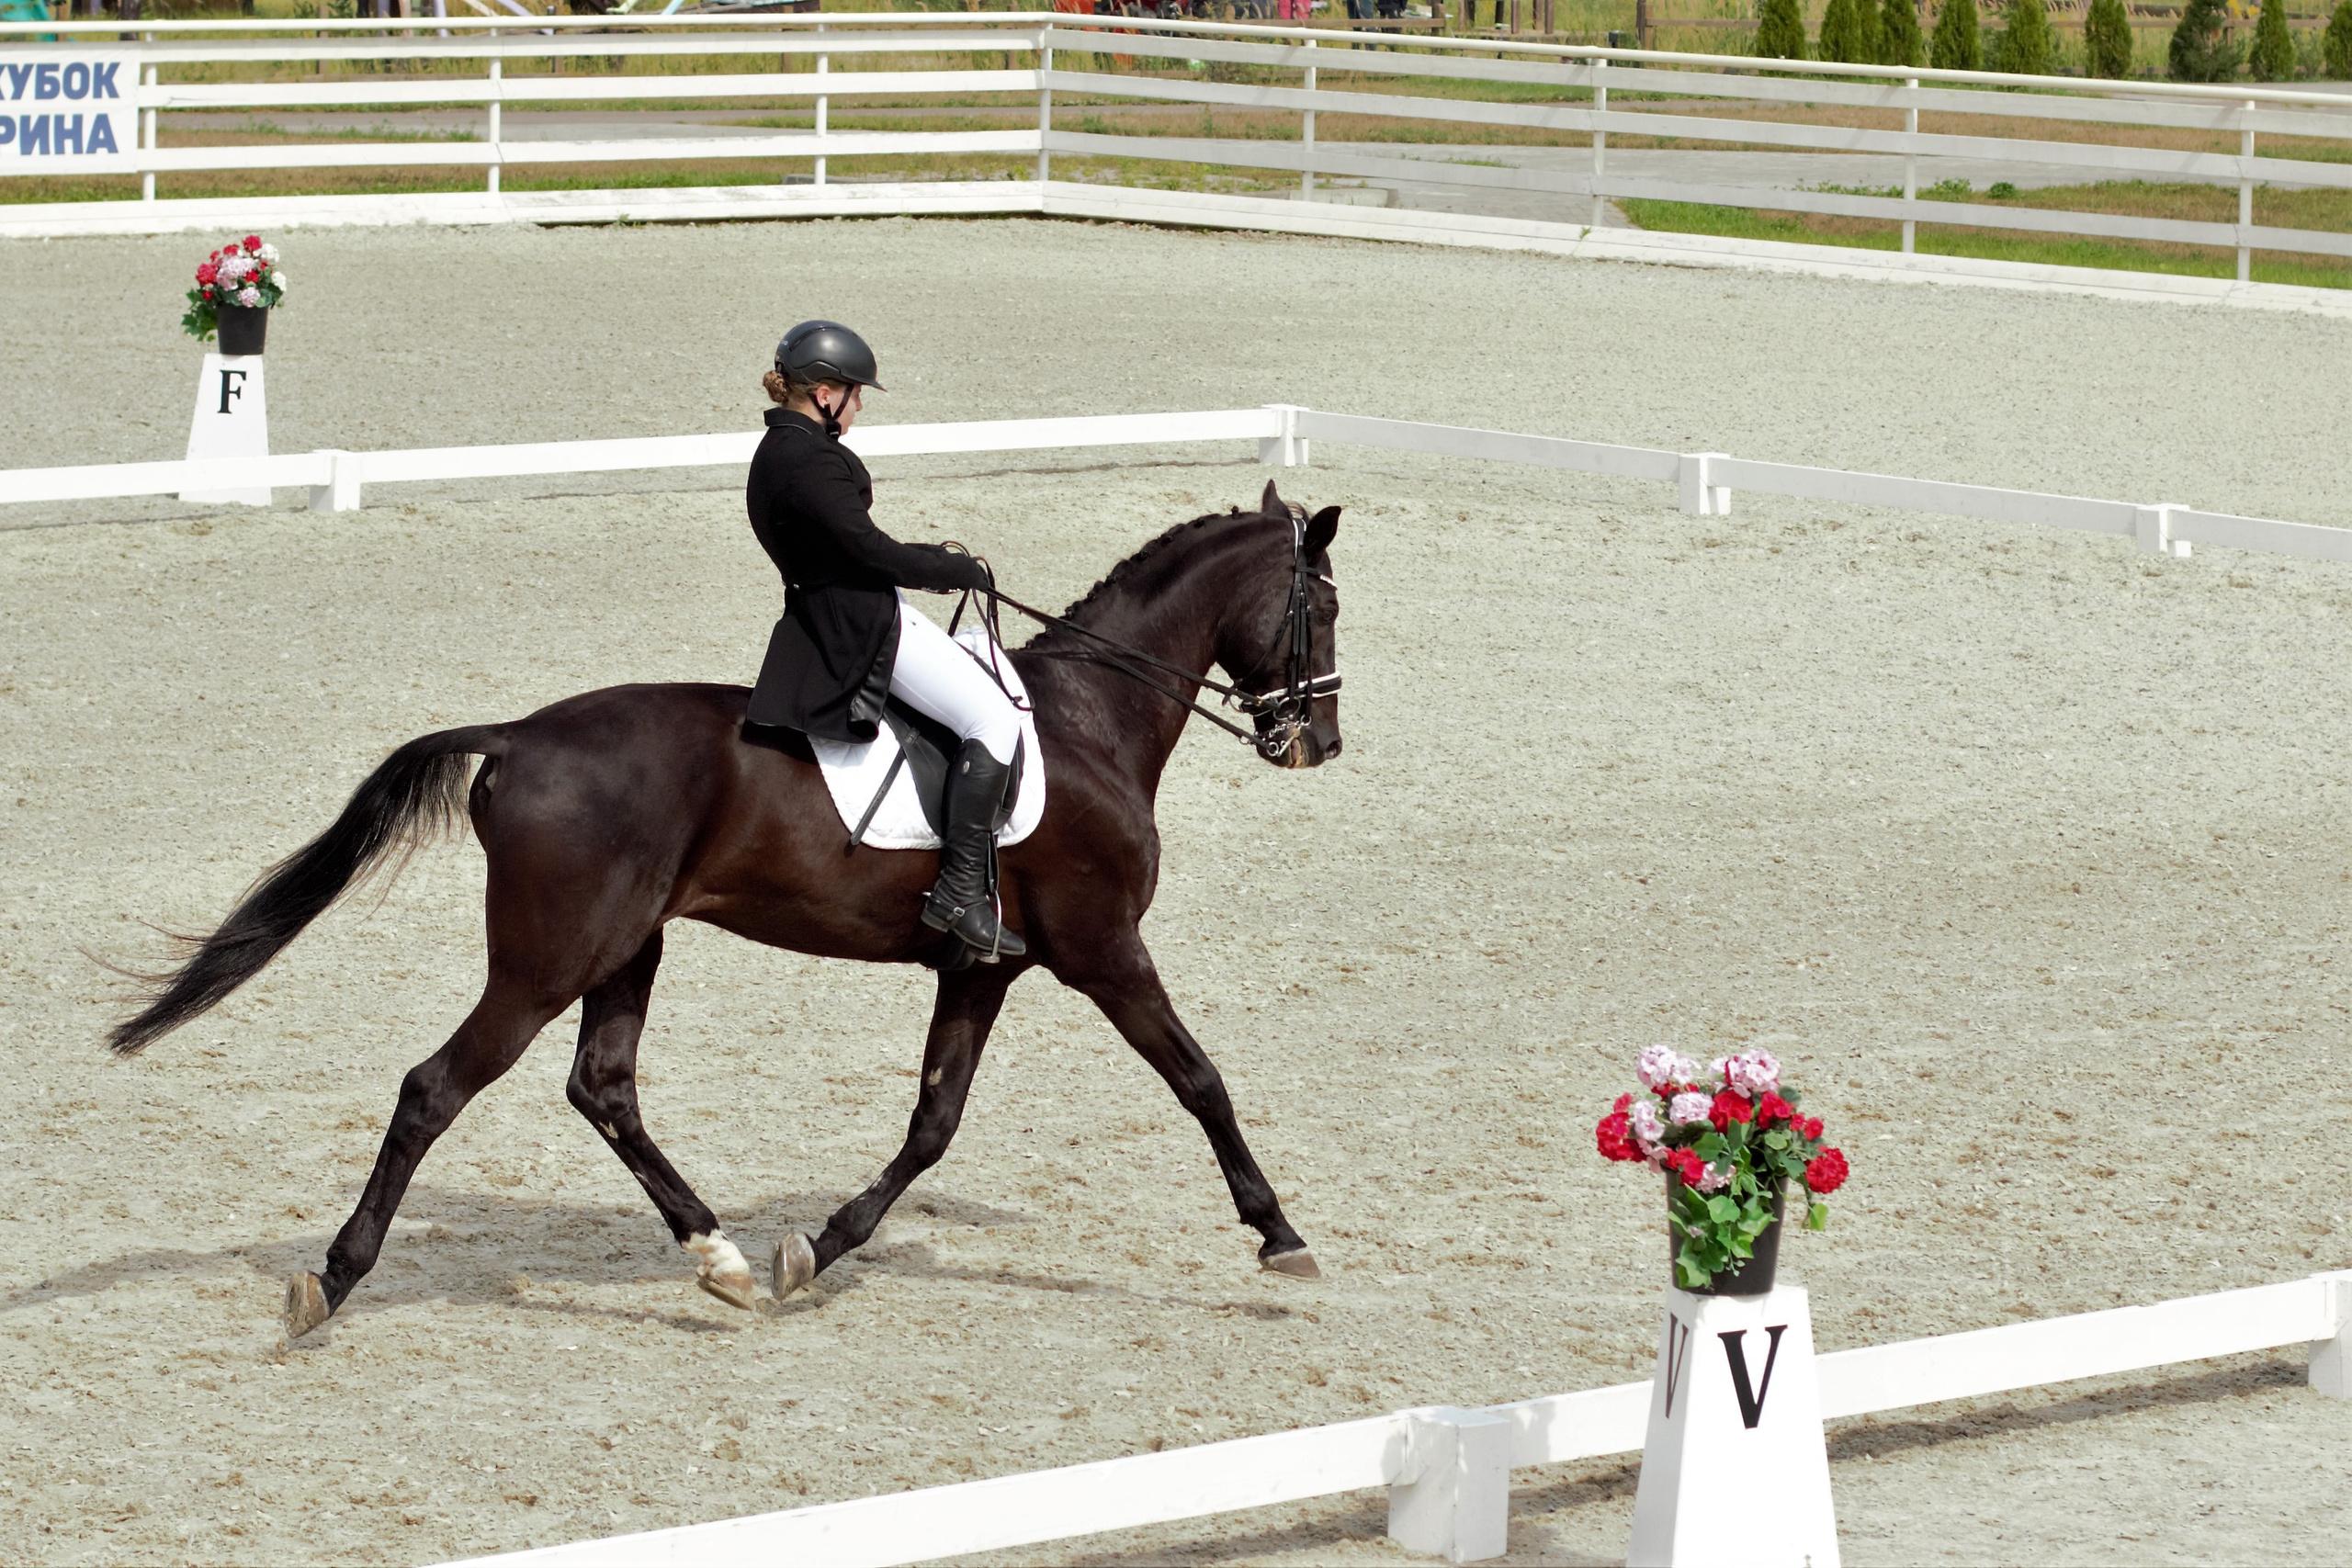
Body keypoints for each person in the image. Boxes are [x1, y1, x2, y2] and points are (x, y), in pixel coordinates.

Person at [744, 321, 1027, 963]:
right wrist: (945, 568)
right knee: (994, 717)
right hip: (860, 623)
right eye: (854, 393)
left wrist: (928, 561)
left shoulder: (778, 449)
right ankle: (960, 892)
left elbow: (844, 543)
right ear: (824, 393)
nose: (859, 406)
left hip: (829, 609)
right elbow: (866, 549)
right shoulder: (808, 459)